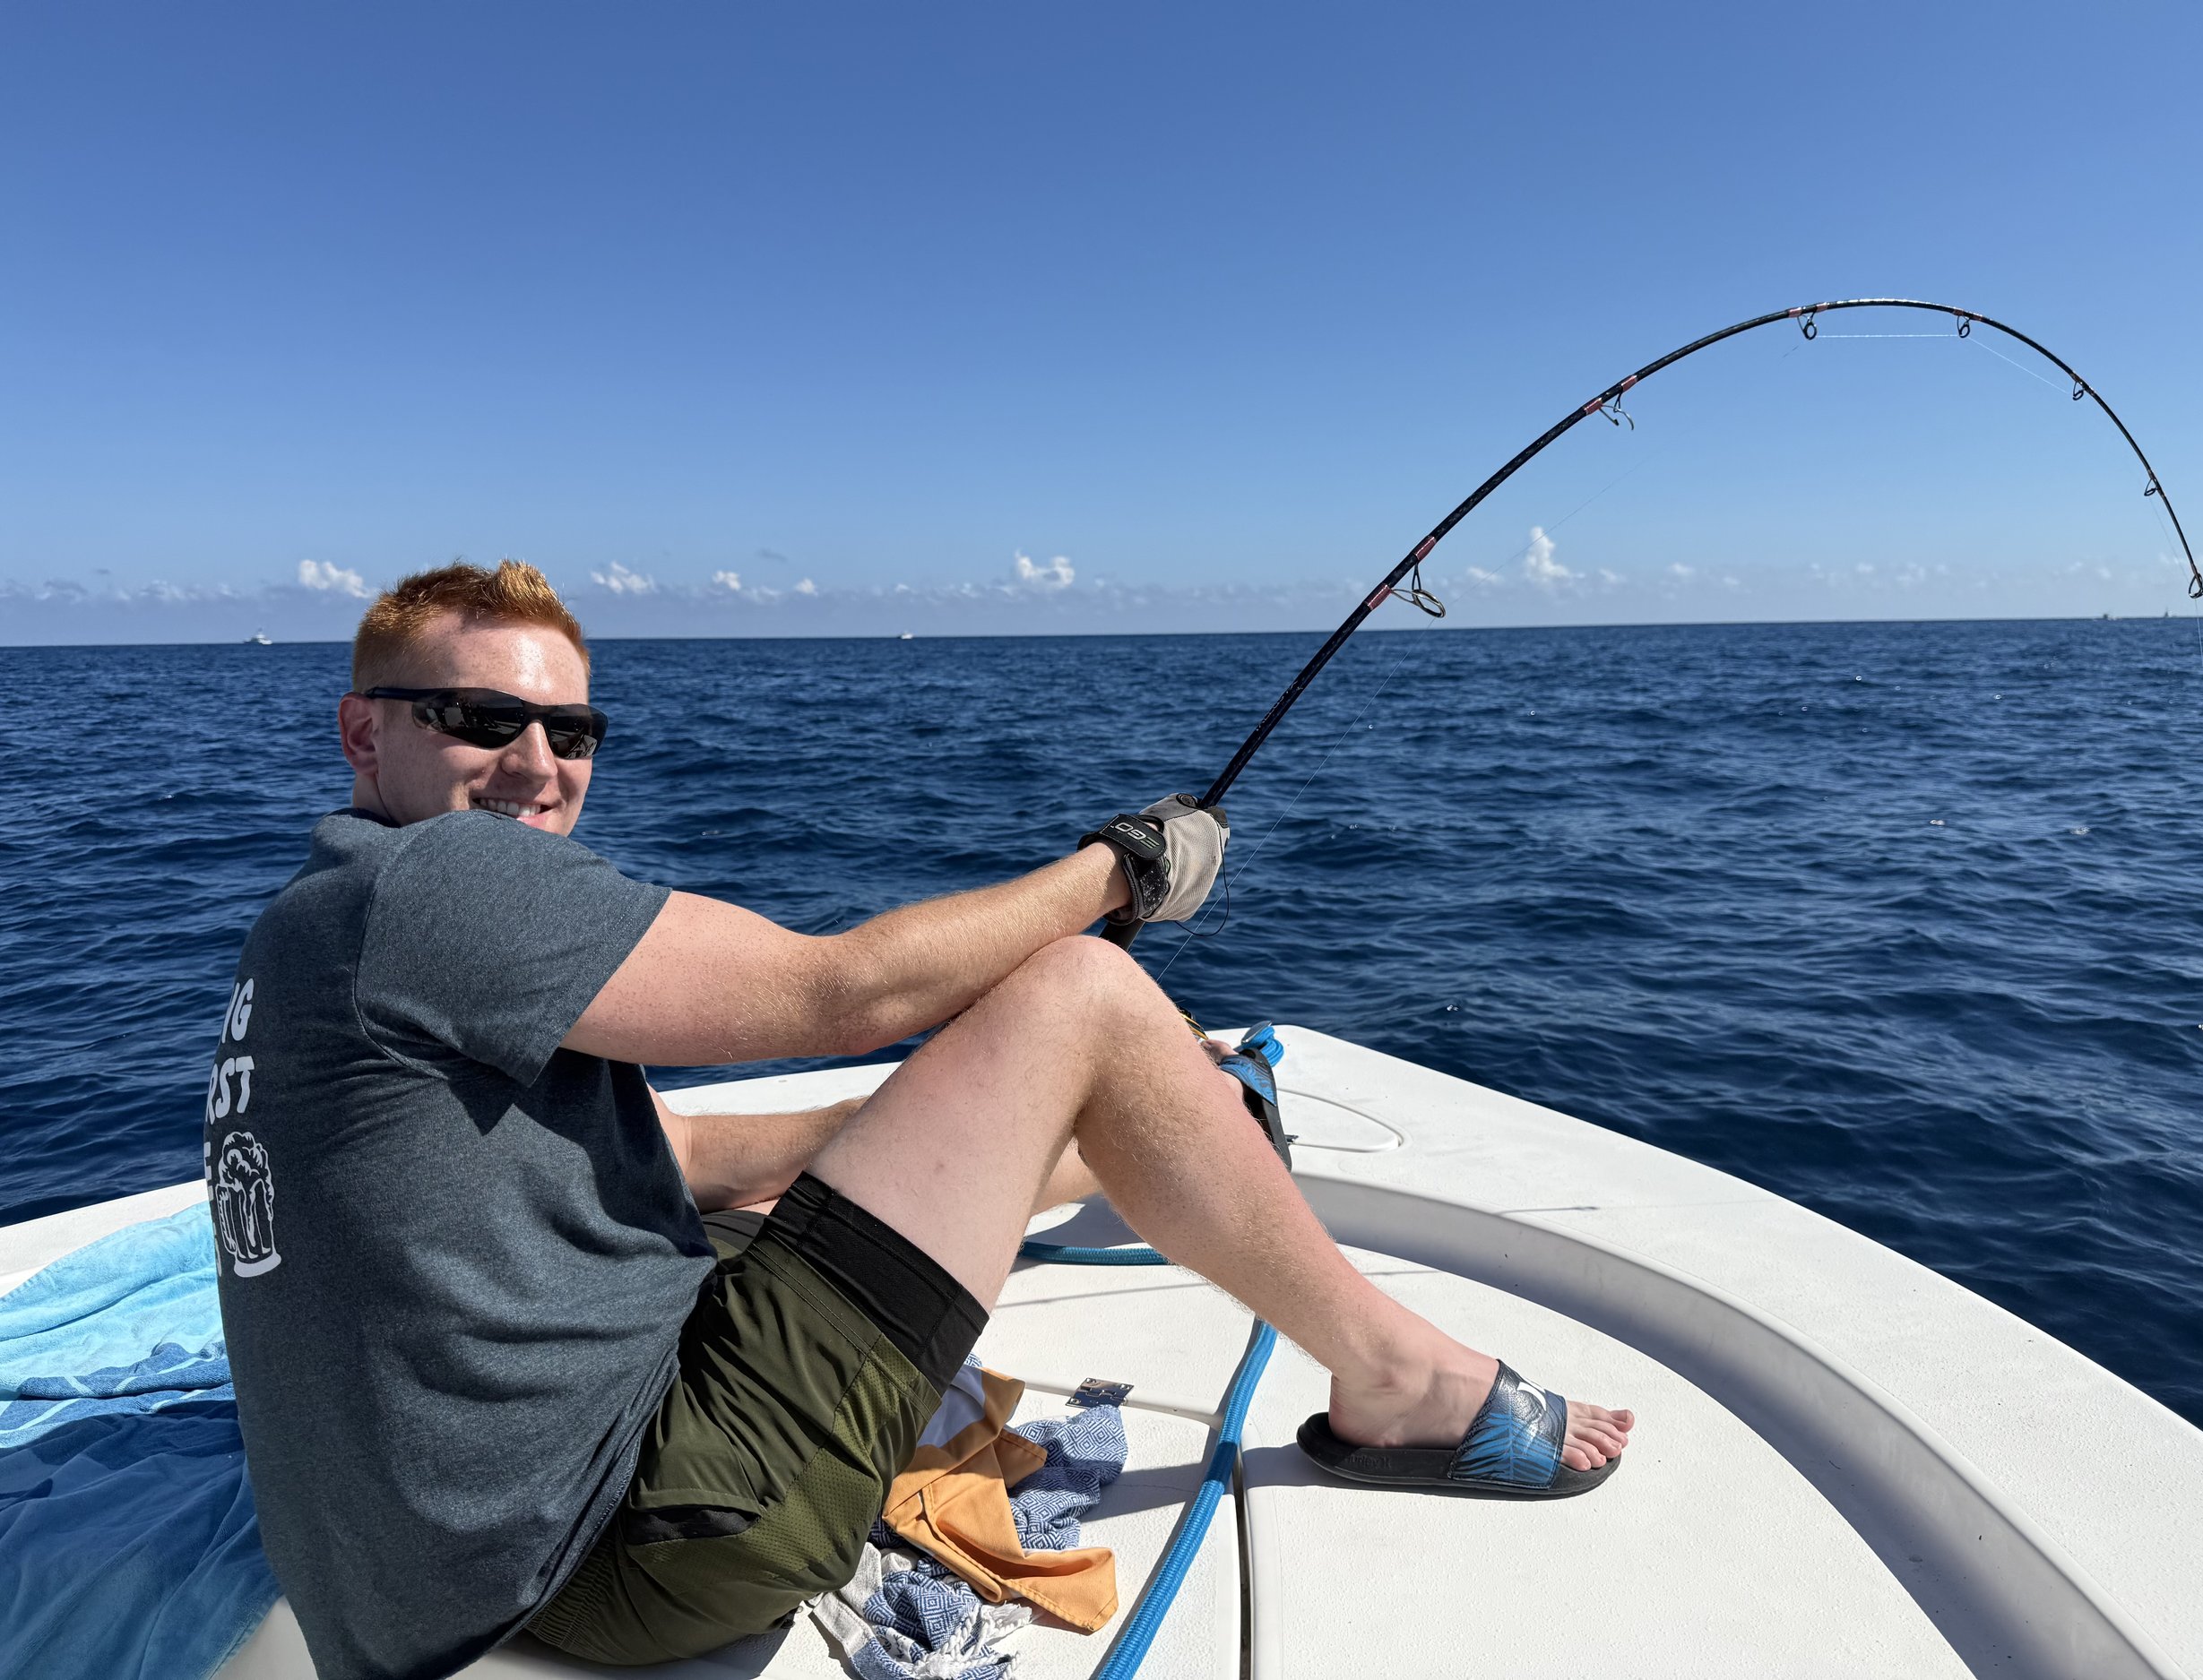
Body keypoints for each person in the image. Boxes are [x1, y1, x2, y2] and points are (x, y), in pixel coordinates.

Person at [203, 559, 1631, 1680]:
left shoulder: (315, 925)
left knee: (788, 1180)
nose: (535, 761)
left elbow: (670, 1156)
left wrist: (946, 1118)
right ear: (364, 732)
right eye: (479, 718)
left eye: (571, 728)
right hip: (630, 1550)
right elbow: (844, 987)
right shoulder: (438, 884)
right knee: (1081, 995)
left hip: (428, 1567)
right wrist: (1117, 874)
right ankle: (1404, 1384)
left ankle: (1140, 1129)